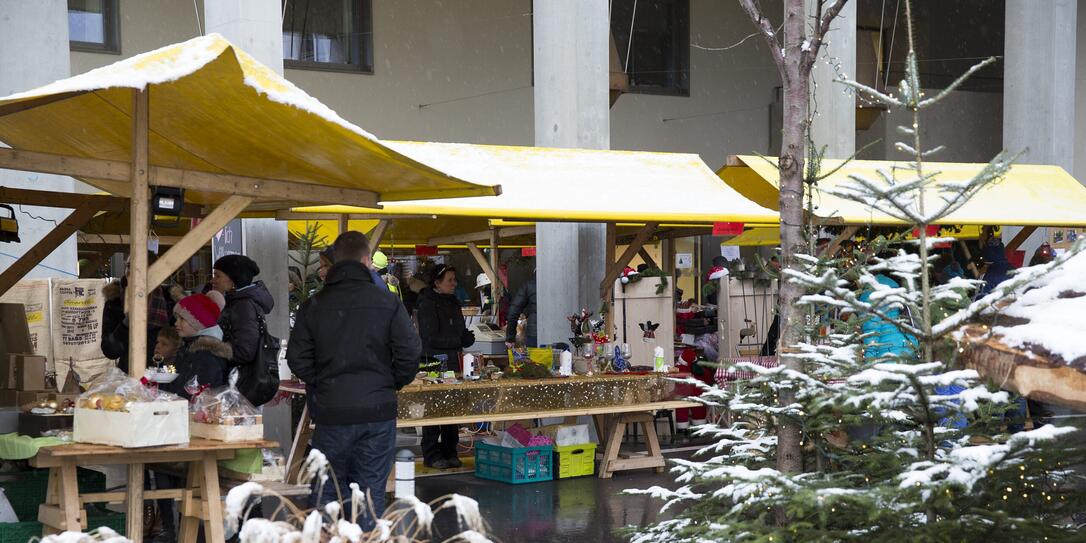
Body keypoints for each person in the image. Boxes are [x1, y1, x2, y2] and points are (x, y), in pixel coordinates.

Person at [288, 231, 421, 527]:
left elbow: (296, 359)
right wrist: (390, 383)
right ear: (365, 260)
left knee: (326, 494)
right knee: (369, 495)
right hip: (377, 411)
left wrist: (323, 383)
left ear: (335, 262)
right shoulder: (387, 302)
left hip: (332, 413)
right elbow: (410, 352)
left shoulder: (315, 305)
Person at [417, 263, 475, 469]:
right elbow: (429, 336)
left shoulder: (453, 302)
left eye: (454, 280)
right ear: (437, 283)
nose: (454, 284)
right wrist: (457, 340)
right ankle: (431, 453)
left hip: (453, 361)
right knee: (434, 408)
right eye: (450, 280)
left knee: (452, 408)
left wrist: (466, 337)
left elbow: (459, 329)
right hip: (433, 361)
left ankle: (450, 450)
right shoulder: (427, 303)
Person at [101, 254, 172, 373]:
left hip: (164, 375)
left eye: (138, 268)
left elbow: (177, 344)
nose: (130, 271)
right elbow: (110, 350)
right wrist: (126, 324)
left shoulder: (168, 300)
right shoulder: (115, 302)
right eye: (128, 266)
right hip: (129, 374)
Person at [161, 294, 230, 399]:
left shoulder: (207, 357)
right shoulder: (187, 347)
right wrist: (162, 370)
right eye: (177, 318)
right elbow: (174, 374)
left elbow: (196, 396)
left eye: (182, 319)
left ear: (198, 323)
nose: (176, 323)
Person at [212, 254, 274, 369]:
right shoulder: (237, 302)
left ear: (233, 279)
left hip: (238, 378)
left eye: (218, 276)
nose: (213, 280)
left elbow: (245, 351)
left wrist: (212, 350)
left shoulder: (242, 306)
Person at [504, 277, 537, 348]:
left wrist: (510, 338)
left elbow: (513, 312)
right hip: (561, 335)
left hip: (535, 335)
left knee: (536, 359)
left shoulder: (529, 285)